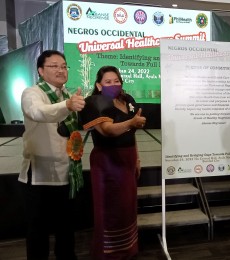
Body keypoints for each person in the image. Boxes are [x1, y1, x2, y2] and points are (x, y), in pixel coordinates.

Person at [19, 50, 85, 260]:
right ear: (40, 70)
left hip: (67, 173)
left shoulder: (69, 95)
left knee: (66, 230)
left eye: (64, 66)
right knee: (38, 233)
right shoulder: (32, 93)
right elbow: (38, 112)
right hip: (40, 175)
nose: (61, 70)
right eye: (54, 66)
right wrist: (66, 105)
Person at [79, 66, 146, 259]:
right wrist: (131, 123)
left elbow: (131, 134)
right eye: (108, 81)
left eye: (116, 80)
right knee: (110, 209)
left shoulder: (127, 101)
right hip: (108, 163)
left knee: (127, 207)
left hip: (128, 159)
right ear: (99, 85)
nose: (113, 84)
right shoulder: (93, 103)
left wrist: (138, 157)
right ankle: (108, 253)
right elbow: (107, 130)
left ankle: (128, 250)